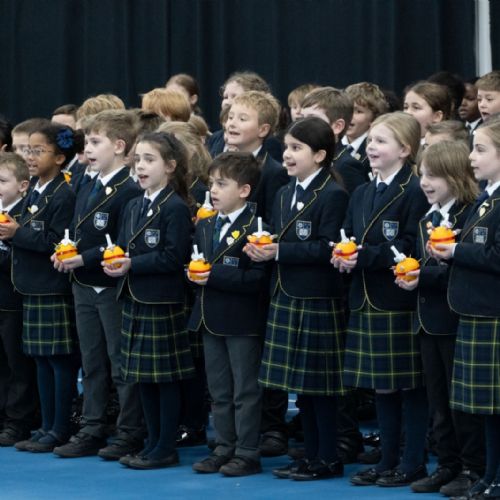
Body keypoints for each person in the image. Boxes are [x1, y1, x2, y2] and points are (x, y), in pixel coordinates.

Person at [245, 116, 349, 481]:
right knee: (302, 388)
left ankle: (328, 457)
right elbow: (280, 235)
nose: (287, 155)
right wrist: (263, 246)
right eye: (287, 148)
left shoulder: (333, 194)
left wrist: (278, 251)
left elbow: (327, 247)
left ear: (319, 155)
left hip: (317, 299)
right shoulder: (284, 192)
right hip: (287, 295)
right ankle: (311, 454)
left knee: (321, 388)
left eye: (296, 148)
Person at [334, 112, 430, 487]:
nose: (371, 147)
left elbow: (410, 244)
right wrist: (342, 254)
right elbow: (349, 234)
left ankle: (412, 461)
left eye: (381, 141)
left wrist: (365, 256)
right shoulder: (361, 191)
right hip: (364, 297)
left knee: (409, 386)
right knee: (382, 386)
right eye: (371, 140)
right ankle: (388, 459)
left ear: (405, 149)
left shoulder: (415, 190)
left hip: (396, 300)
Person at [52, 110, 143, 460]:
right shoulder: (86, 183)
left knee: (119, 363)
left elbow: (122, 242)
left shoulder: (129, 189)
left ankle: (129, 430)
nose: (87, 148)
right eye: (86, 141)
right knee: (91, 363)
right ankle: (92, 427)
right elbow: (78, 230)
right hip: (83, 285)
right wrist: (65, 251)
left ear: (119, 146)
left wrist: (84, 258)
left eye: (94, 142)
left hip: (109, 286)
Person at [396, 141, 485, 496]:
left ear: (455, 176)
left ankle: (472, 467)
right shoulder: (426, 218)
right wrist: (410, 274)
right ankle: (447, 464)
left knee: (460, 402)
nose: (424, 183)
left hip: (454, 320)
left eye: (433, 176)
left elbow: (459, 271)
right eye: (422, 175)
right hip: (426, 321)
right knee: (437, 398)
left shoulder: (468, 215)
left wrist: (422, 276)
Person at [102, 132, 194, 469]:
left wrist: (131, 264)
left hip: (160, 301)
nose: (140, 166)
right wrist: (115, 259)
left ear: (170, 166)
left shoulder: (175, 207)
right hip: (134, 298)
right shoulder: (133, 205)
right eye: (138, 159)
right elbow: (123, 245)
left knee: (163, 378)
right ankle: (151, 441)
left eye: (149, 160)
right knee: (142, 377)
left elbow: (173, 257)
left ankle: (165, 446)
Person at [429, 117, 500, 499]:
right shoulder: (487, 197)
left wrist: (456, 250)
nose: (472, 157)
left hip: (492, 313)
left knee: (495, 406)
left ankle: (495, 477)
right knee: (485, 407)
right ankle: (489, 476)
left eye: (481, 149)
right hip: (477, 312)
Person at [189, 151, 269, 476]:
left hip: (242, 321)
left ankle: (247, 452)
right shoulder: (206, 224)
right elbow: (197, 261)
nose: (213, 190)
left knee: (245, 391)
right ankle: (223, 447)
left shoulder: (257, 228)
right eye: (211, 183)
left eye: (222, 184)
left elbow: (258, 280)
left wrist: (213, 275)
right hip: (209, 317)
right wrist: (193, 273)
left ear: (244, 190)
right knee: (219, 390)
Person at [0, 124, 78, 452]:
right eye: (28, 150)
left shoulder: (63, 194)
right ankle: (45, 425)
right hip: (31, 287)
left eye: (38, 151)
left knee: (58, 361)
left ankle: (59, 427)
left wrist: (17, 234)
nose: (30, 157)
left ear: (59, 158)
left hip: (51, 287)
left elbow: (56, 241)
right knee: (40, 360)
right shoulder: (35, 188)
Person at [0, 153, 38, 446]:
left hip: (15, 300)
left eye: (2, 181)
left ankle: (18, 420)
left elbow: (23, 257)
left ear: (23, 186)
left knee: (17, 363)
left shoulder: (26, 217)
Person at [226, 91, 289, 224]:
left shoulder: (273, 172)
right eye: (230, 117)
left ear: (263, 130)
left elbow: (273, 223)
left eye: (242, 119)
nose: (232, 123)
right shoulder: (224, 164)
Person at [301, 86, 368, 193]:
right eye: (302, 118)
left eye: (313, 119)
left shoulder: (346, 166)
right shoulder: (304, 159)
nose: (302, 125)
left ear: (337, 126)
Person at [207, 71, 283, 162]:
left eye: (234, 97)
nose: (227, 102)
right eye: (225, 97)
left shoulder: (271, 145)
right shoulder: (215, 138)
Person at [344, 82, 389, 173]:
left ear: (374, 118)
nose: (350, 116)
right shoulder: (332, 144)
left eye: (359, 111)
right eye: (347, 109)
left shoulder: (376, 150)